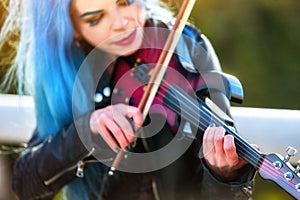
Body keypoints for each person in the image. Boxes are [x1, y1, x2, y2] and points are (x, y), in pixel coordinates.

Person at [1, 0, 256, 199]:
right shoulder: (73, 74)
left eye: (126, 2)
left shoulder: (186, 46)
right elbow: (26, 186)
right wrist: (85, 131)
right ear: (73, 31)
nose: (122, 23)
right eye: (95, 19)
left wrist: (224, 175)